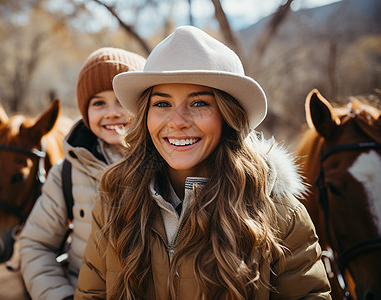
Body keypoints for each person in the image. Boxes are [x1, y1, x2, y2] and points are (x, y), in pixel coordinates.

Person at [74, 26, 331, 299]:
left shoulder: (280, 214)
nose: (178, 121)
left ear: (228, 116)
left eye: (199, 103)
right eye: (162, 104)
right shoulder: (114, 200)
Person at [18, 47, 146, 300]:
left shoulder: (170, 164)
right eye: (98, 103)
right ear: (85, 112)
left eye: (121, 100)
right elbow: (35, 245)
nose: (112, 112)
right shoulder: (66, 172)